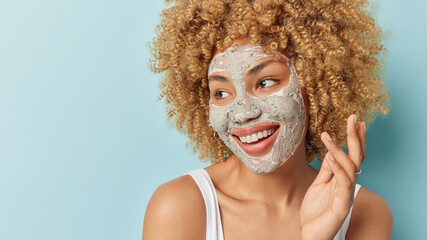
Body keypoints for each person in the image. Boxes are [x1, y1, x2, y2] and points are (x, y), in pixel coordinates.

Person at [143, 0, 393, 239]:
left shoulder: (366, 213)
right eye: (221, 93)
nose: (242, 113)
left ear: (314, 83)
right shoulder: (179, 207)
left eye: (265, 83)